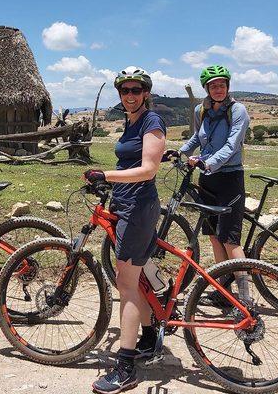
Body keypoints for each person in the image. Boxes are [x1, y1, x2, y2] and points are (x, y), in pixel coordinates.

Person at [83, 67, 166, 394]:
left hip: (138, 208)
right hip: (126, 204)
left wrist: (105, 174)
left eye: (136, 89)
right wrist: (110, 184)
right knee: (138, 278)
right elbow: (128, 164)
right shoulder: (132, 121)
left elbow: (148, 169)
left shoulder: (151, 121)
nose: (129, 94)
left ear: (145, 92)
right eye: (124, 90)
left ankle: (126, 367)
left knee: (127, 286)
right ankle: (147, 339)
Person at [176, 65, 251, 306]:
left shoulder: (238, 110)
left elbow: (231, 145)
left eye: (222, 84)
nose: (218, 89)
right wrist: (179, 153)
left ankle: (245, 299)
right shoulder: (201, 110)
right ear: (207, 89)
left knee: (230, 239)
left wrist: (209, 163)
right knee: (215, 238)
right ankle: (223, 290)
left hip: (229, 176)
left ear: (228, 86)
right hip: (207, 177)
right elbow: (197, 138)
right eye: (213, 86)